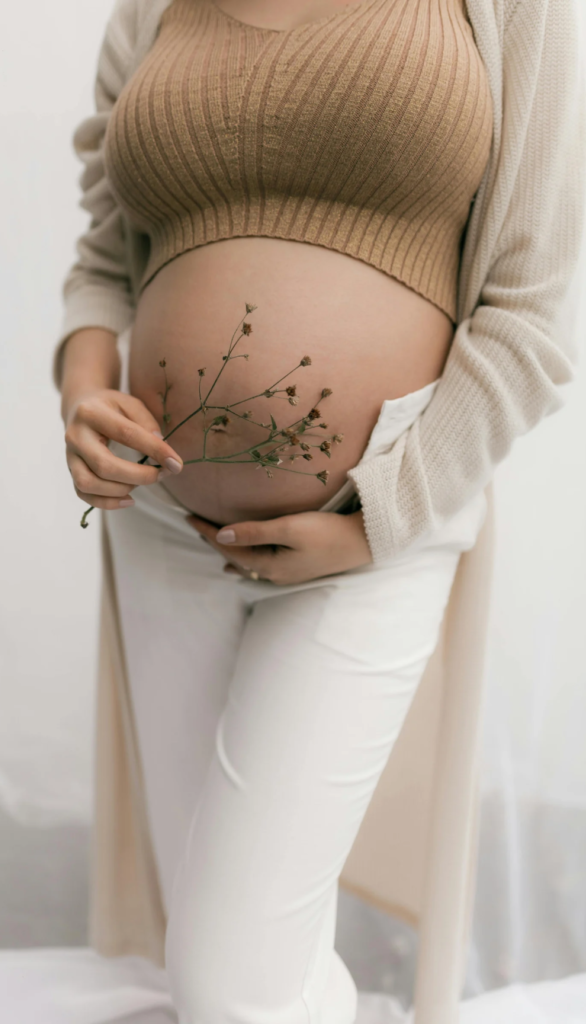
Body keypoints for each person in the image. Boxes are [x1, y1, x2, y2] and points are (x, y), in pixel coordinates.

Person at [52, 1, 586, 1021]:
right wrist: (86, 390)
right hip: (161, 526)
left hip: (376, 529)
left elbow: (530, 304)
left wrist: (376, 516)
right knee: (212, 955)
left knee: (231, 978)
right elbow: (104, 261)